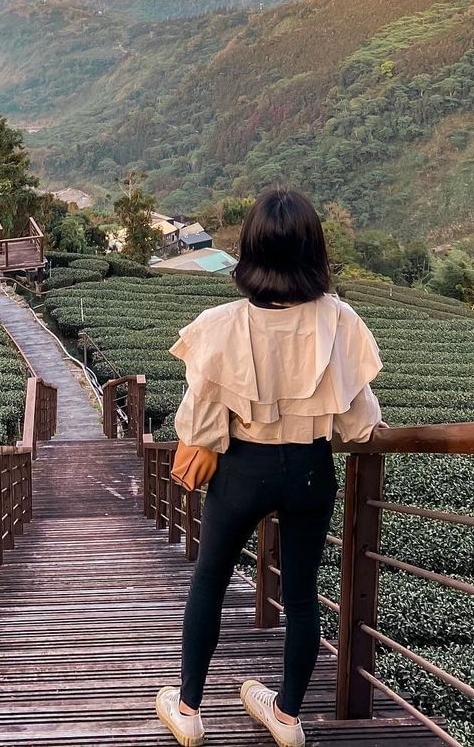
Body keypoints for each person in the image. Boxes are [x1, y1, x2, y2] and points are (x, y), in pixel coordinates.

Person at [155, 187, 384, 747]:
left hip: (242, 471)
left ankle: (188, 707)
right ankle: (286, 717)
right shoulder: (340, 321)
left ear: (250, 251)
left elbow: (198, 424)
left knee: (209, 579)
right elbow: (358, 426)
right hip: (310, 470)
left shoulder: (220, 324)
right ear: (314, 251)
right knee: (302, 593)